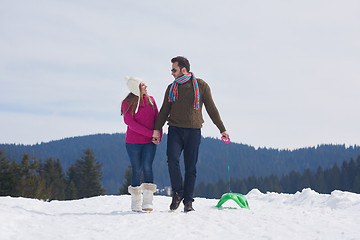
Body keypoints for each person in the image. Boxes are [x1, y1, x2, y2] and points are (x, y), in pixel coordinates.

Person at [152, 56, 229, 212]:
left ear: (183, 69)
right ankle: (177, 193)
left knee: (190, 167)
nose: (172, 73)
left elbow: (211, 109)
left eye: (174, 70)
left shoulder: (201, 86)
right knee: (172, 160)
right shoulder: (171, 88)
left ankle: (188, 202)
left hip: (194, 131)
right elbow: (164, 110)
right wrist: (157, 129)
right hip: (174, 130)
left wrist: (222, 129)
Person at [121, 76, 161, 212]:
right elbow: (130, 123)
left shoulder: (151, 100)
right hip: (133, 143)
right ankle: (136, 203)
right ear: (136, 88)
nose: (146, 87)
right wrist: (151, 134)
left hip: (150, 143)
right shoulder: (127, 103)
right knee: (136, 169)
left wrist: (158, 135)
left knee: (147, 167)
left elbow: (158, 118)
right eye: (143, 85)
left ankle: (148, 202)